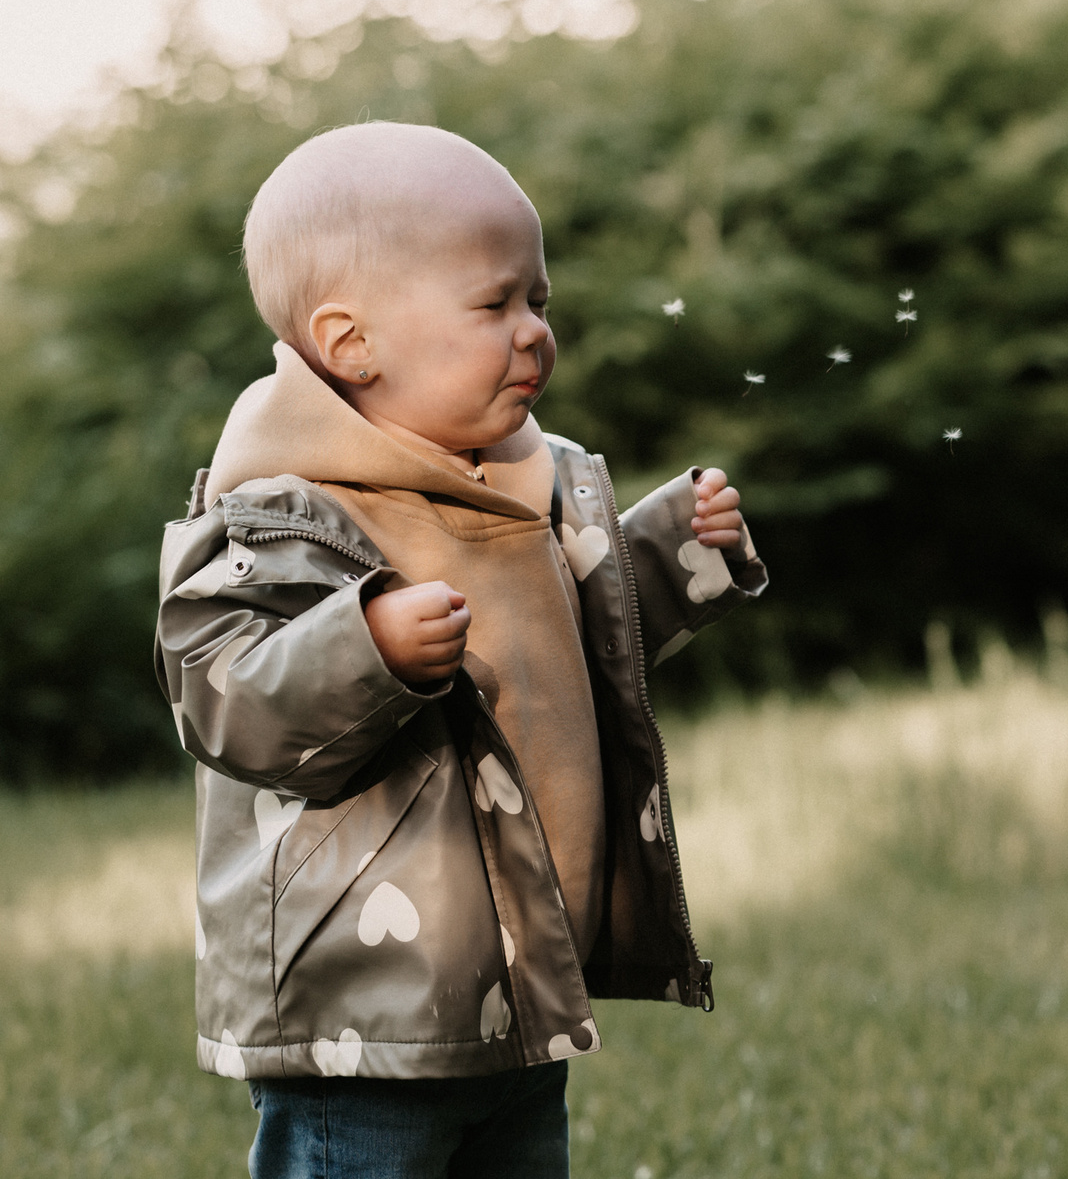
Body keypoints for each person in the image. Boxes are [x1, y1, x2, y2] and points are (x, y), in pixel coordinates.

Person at [157, 121, 767, 1178]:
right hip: (364, 1006)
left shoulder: (530, 481)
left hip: (519, 975)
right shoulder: (281, 510)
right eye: (494, 304)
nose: (534, 332)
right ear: (352, 343)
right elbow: (225, 698)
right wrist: (365, 648)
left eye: (539, 299)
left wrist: (673, 553)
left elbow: (571, 643)